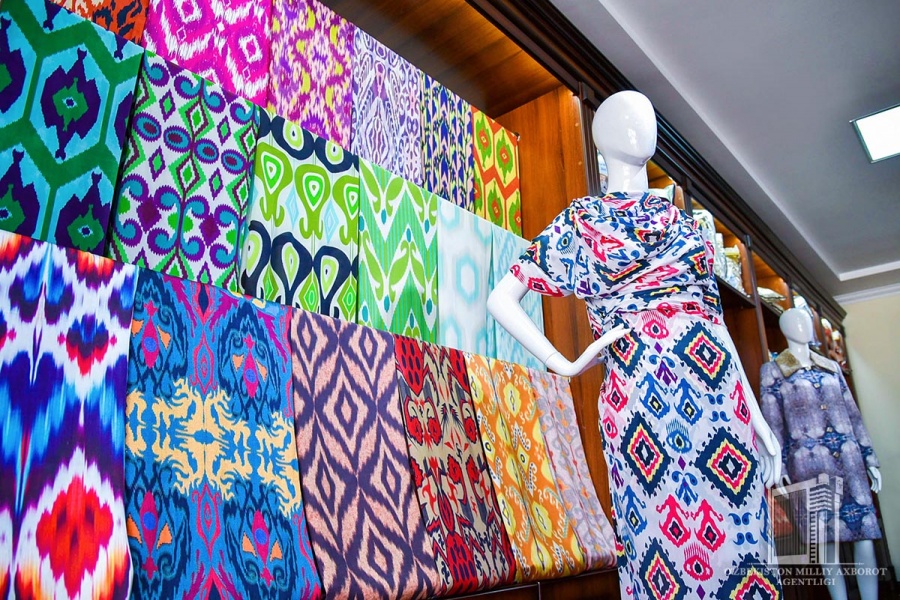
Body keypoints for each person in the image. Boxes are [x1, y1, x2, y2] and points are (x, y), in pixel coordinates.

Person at [487, 90, 783, 598]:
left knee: (743, 542)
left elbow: (714, 323)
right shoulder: (582, 222)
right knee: (657, 540)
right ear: (599, 138)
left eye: (646, 117)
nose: (640, 126)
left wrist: (756, 418)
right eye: (625, 118)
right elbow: (502, 298)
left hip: (721, 402)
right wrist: (565, 362)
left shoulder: (690, 227)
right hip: (641, 397)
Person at [761, 308, 882, 600]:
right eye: (795, 323)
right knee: (826, 543)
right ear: (785, 329)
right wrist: (780, 465)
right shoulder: (774, 370)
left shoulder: (831, 367)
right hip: (809, 465)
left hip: (850, 462)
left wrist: (869, 458)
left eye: (805, 321)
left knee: (865, 535)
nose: (802, 327)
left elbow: (853, 415)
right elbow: (773, 422)